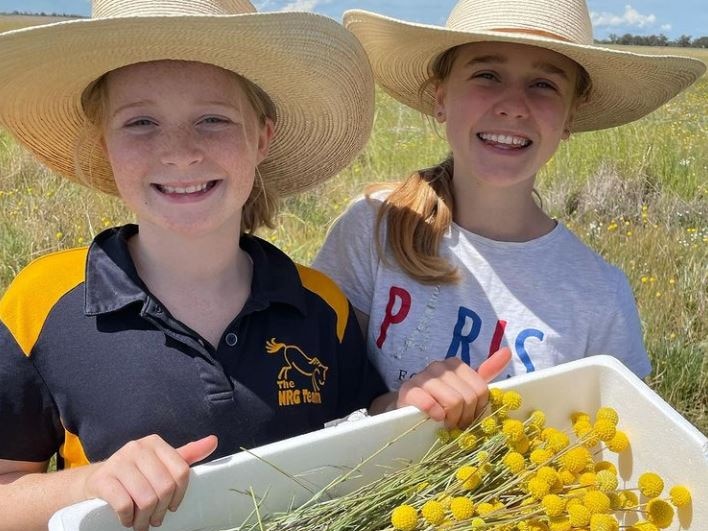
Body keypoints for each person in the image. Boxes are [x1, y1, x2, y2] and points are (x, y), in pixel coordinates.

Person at [0, 1, 391, 529]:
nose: (180, 153)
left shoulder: (322, 305)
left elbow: (367, 449)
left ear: (261, 138)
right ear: (104, 144)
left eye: (213, 119)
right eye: (140, 122)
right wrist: (92, 483)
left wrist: (416, 405)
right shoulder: (40, 301)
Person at [315, 0, 705, 415]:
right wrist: (397, 409)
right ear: (440, 98)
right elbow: (315, 393)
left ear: (571, 114)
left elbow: (621, 440)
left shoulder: (599, 295)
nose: (514, 105)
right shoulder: (376, 226)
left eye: (544, 85)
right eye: (487, 75)